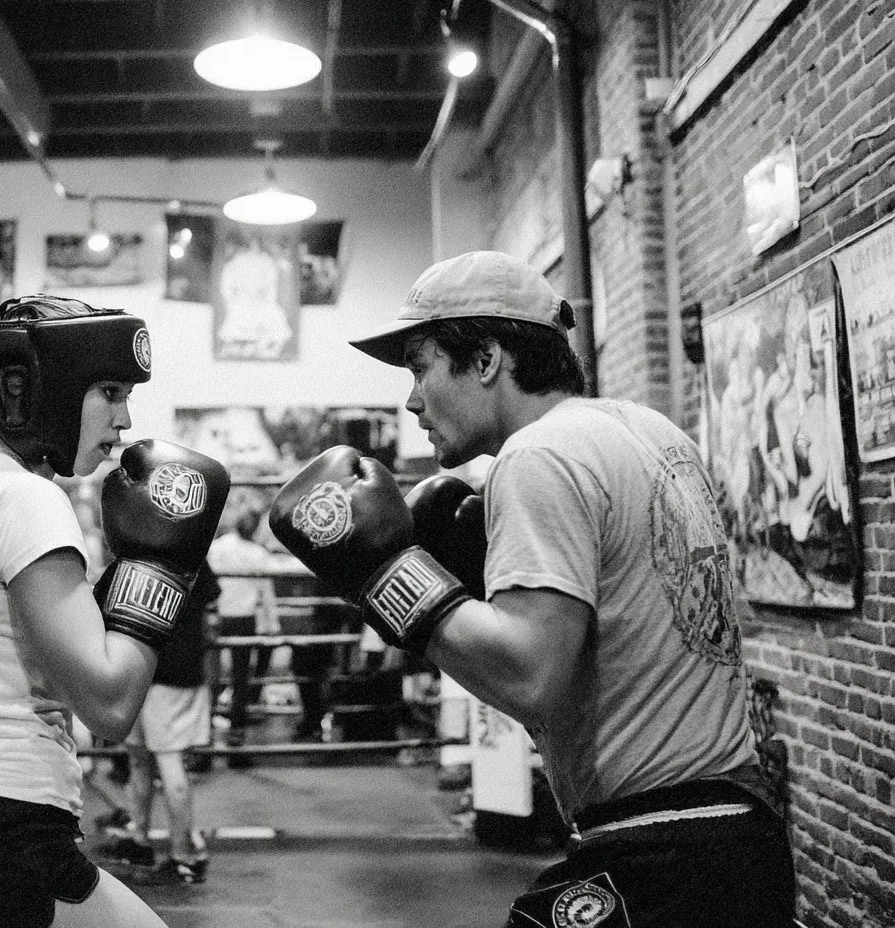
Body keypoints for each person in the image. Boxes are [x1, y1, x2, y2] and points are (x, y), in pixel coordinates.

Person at [268, 251, 795, 927]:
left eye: (421, 365)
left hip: (661, 846)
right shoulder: (651, 431)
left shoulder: (539, 456)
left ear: (485, 358)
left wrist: (386, 574)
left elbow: (529, 676)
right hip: (738, 833)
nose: (412, 399)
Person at [0, 295, 229, 928]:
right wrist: (162, 567)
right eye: (109, 391)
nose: (125, 418)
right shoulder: (25, 498)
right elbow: (109, 704)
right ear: (30, 391)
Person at [102, 564, 219, 884]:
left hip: (154, 671)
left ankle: (183, 855)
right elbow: (210, 608)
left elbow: (104, 608)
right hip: (160, 669)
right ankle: (140, 839)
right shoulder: (190, 551)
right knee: (140, 757)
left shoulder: (133, 554)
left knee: (164, 761)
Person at [206, 506, 278, 758]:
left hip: (217, 616)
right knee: (240, 677)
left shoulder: (217, 547)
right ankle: (236, 731)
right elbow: (266, 593)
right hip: (243, 618)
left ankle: (206, 731)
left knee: (212, 677)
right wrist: (273, 626)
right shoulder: (258, 554)